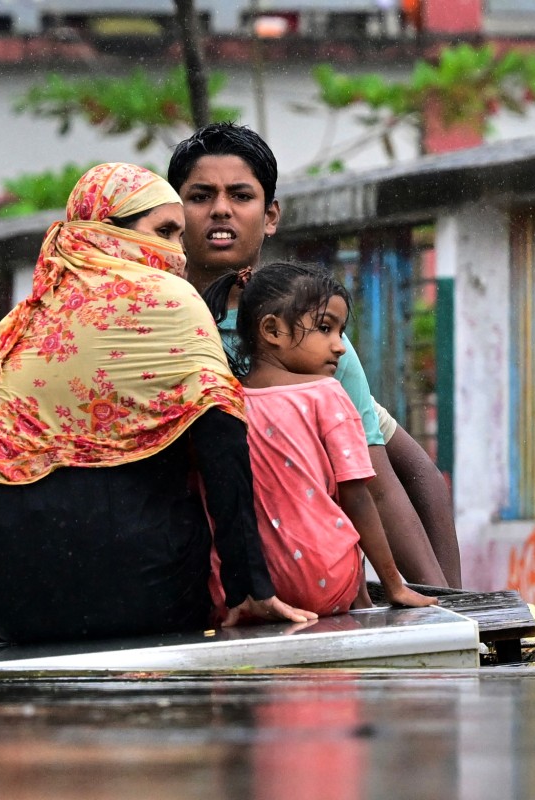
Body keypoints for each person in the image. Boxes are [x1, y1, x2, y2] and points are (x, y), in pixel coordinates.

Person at [0, 163, 316, 644]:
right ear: (106, 230)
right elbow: (222, 445)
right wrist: (247, 588)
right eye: (164, 231)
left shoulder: (24, 319)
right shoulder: (170, 297)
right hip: (127, 582)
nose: (176, 251)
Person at [168, 122, 462, 588]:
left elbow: (379, 484)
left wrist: (449, 613)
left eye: (241, 196)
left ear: (270, 216)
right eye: (201, 196)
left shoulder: (304, 333)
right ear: (174, 213)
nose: (221, 209)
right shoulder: (151, 321)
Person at [205, 261, 437, 618]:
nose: (340, 346)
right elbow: (357, 496)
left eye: (340, 332)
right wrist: (393, 585)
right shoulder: (325, 395)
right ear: (272, 330)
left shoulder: (223, 401)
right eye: (326, 329)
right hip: (325, 581)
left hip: (241, 589)